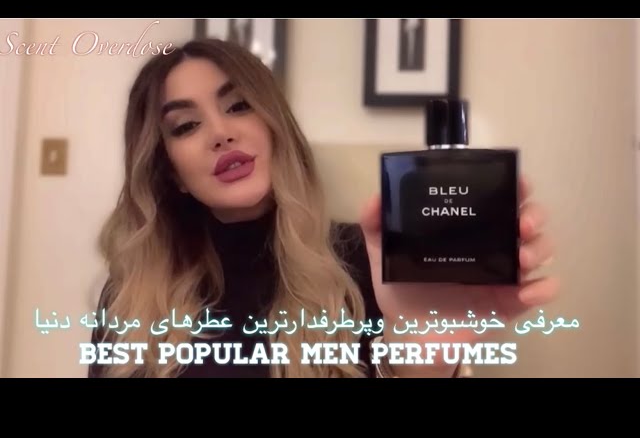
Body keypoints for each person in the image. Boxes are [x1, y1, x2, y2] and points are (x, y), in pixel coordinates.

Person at [88, 37, 558, 378]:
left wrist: (426, 359)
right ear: (169, 172)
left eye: (238, 106)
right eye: (186, 126)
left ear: (275, 127)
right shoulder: (130, 297)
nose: (221, 133)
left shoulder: (369, 263)